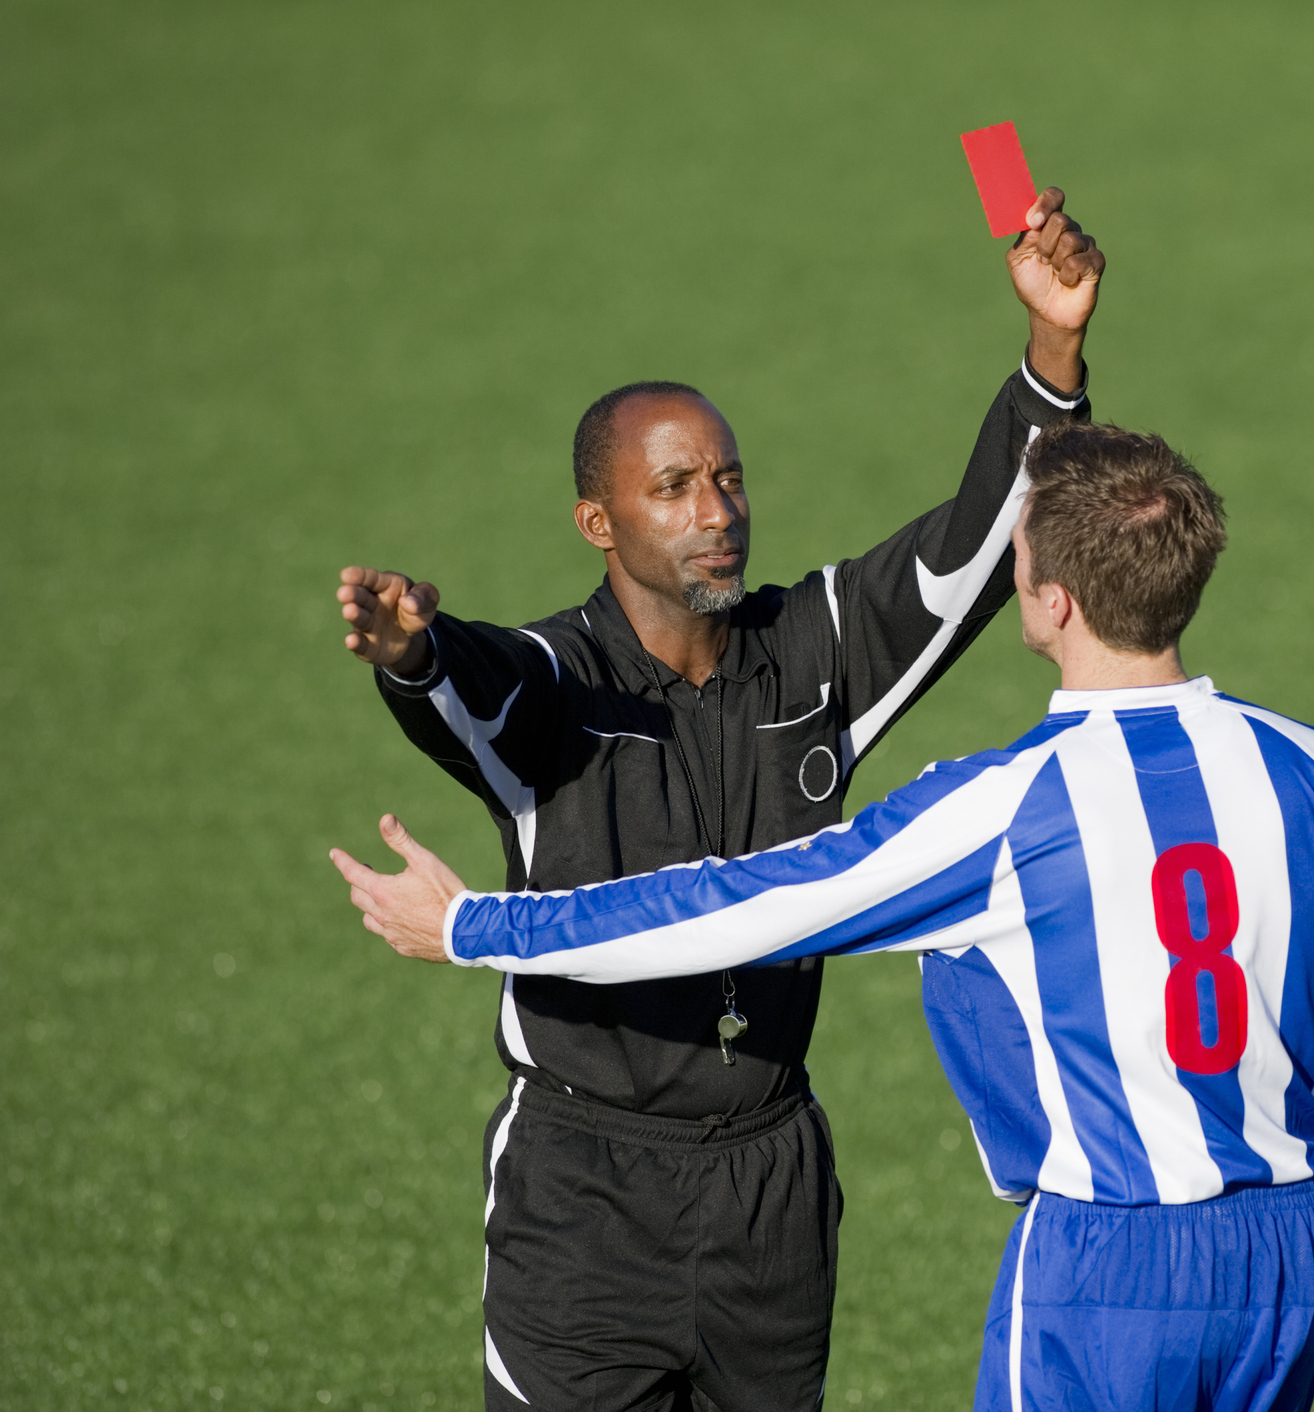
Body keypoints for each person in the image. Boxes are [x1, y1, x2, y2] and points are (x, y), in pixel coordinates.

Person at [333, 421, 1314, 1412]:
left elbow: (738, 906)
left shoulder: (1000, 808)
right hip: (1286, 1255)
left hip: (1100, 1270)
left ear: (1046, 599)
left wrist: (477, 925)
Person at [330, 187, 1106, 1411]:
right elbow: (474, 683)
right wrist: (414, 652)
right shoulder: (555, 684)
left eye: (730, 480)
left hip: (772, 1190)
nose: (718, 512)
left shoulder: (815, 648)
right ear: (600, 520)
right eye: (677, 487)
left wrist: (1050, 353)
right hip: (584, 1197)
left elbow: (967, 561)